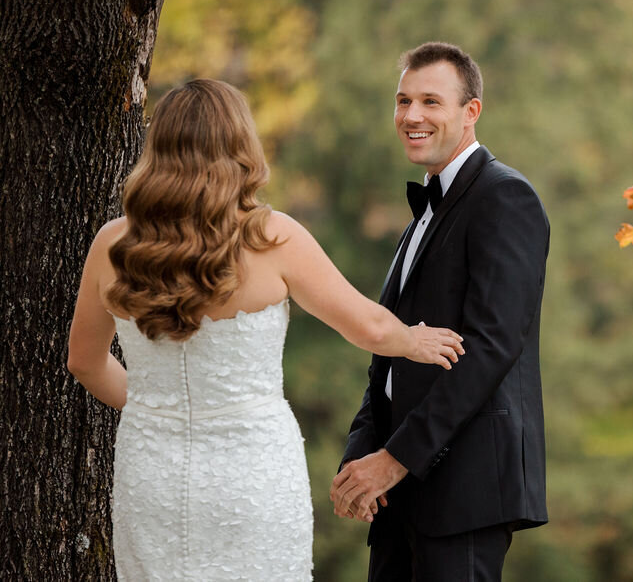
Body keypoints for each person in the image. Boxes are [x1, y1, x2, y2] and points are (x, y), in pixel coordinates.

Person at [66, 79, 464, 580]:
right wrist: (413, 340)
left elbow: (84, 361)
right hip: (251, 472)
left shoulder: (112, 244)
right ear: (240, 145)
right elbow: (366, 325)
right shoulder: (272, 236)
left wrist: (159, 408)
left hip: (153, 472)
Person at [330, 42, 550, 581]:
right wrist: (360, 455)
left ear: (471, 111)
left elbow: (491, 348)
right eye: (403, 101)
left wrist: (395, 459)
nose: (412, 115)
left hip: (464, 490)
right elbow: (390, 355)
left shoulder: (505, 197)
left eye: (431, 101)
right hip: (397, 491)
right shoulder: (424, 213)